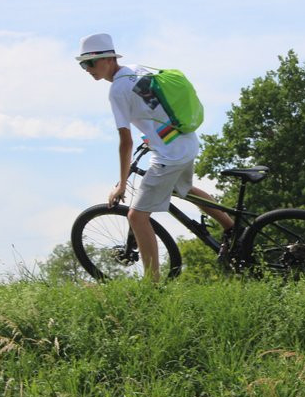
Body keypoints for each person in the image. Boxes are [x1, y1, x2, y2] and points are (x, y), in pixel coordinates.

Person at [78, 33, 234, 280]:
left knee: (137, 216)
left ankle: (153, 285)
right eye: (82, 64)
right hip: (185, 141)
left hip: (169, 154)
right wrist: (152, 137)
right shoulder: (136, 70)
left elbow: (125, 141)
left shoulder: (117, 90)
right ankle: (233, 229)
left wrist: (121, 184)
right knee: (185, 190)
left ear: (108, 60)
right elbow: (155, 107)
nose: (87, 69)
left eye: (90, 63)